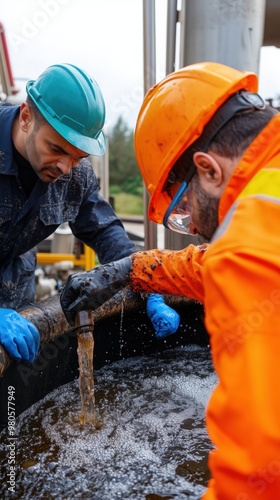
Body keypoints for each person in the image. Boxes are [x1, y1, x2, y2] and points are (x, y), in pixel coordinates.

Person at [60, 61, 280, 498]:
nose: (194, 226)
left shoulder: (251, 242)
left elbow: (258, 472)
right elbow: (212, 263)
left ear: (209, 169)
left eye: (182, 209)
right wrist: (132, 269)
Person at [0, 62, 180, 364]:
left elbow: (103, 229)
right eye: (56, 149)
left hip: (16, 303)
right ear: (27, 117)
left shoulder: (75, 173)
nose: (65, 167)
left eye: (78, 156)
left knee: (14, 402)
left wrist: (145, 282)